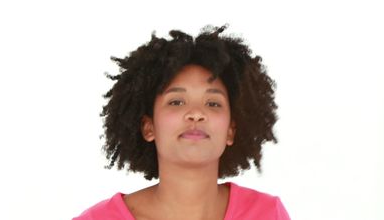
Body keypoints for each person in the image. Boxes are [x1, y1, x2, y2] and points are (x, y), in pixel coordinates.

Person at [73, 25, 291, 220]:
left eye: (213, 103)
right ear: (149, 127)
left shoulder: (268, 214)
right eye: (176, 102)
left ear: (231, 130)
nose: (196, 113)